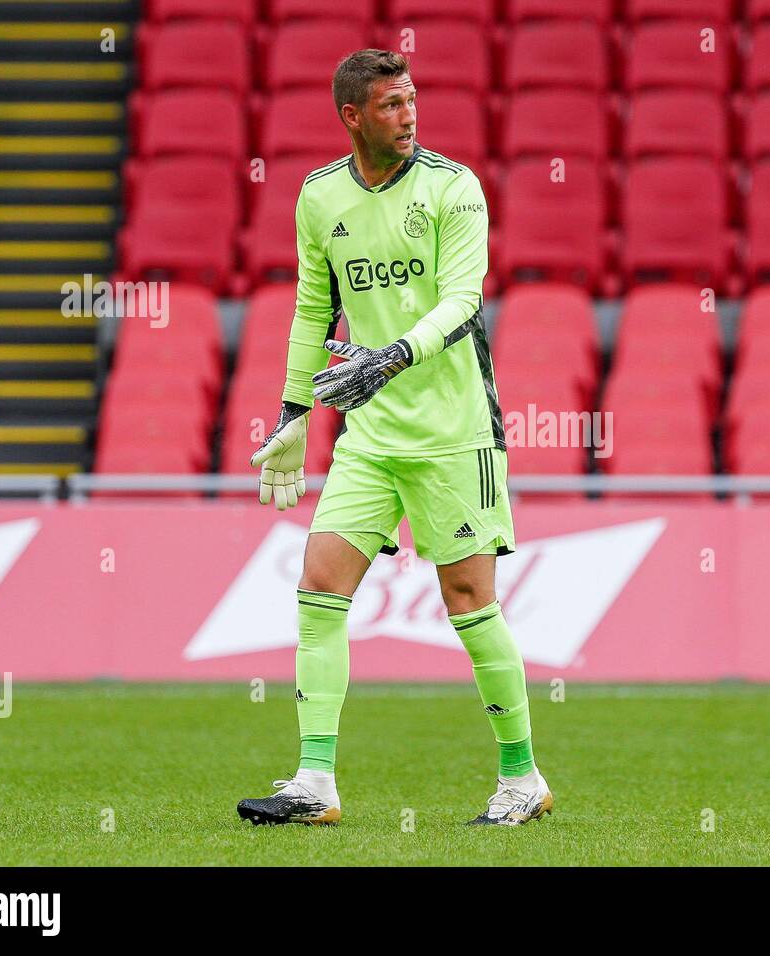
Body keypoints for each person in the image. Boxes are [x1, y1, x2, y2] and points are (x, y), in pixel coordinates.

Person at [236, 50, 552, 828]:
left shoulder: (453, 187)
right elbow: (315, 309)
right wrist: (291, 414)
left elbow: (463, 301)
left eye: (411, 101)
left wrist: (393, 357)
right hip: (370, 435)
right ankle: (314, 782)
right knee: (318, 586)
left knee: (468, 599)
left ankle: (523, 779)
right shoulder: (320, 197)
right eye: (389, 106)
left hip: (453, 432)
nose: (408, 117)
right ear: (352, 116)